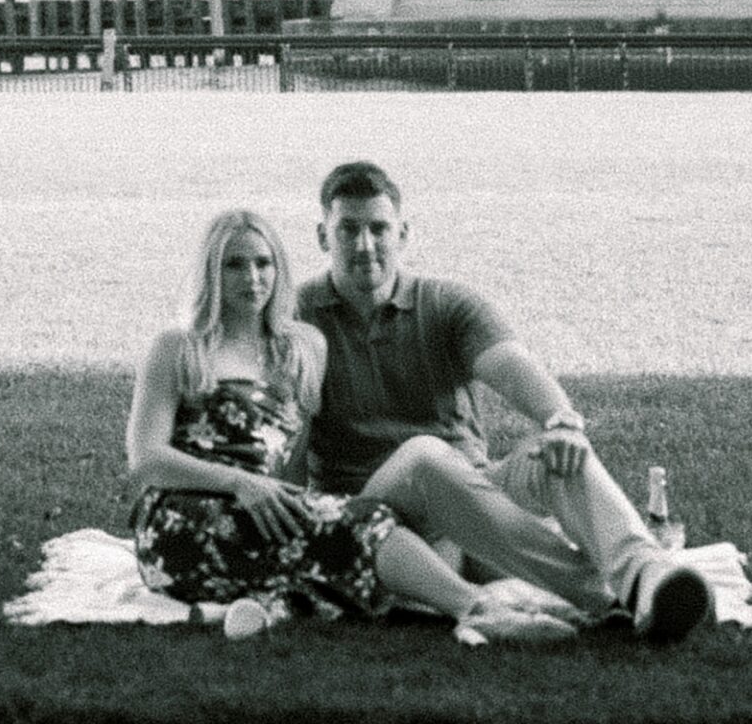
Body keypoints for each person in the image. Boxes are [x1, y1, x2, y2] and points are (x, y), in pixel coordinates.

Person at [292, 160, 713, 644]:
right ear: (323, 237)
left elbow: (512, 366)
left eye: (379, 229)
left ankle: (645, 574)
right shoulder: (297, 315)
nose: (366, 245)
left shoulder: (445, 304)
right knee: (424, 456)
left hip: (471, 496)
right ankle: (605, 593)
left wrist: (561, 421)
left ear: (403, 233)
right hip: (372, 512)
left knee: (556, 452)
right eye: (349, 230)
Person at [125, 207, 577, 643]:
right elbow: (146, 459)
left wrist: (296, 502)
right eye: (234, 265)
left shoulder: (302, 348)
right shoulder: (179, 347)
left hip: (266, 510)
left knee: (362, 521)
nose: (252, 278)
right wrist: (241, 483)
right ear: (211, 272)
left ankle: (487, 600)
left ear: (280, 269)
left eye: (263, 263)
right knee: (356, 530)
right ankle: (481, 610)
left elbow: (296, 453)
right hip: (184, 516)